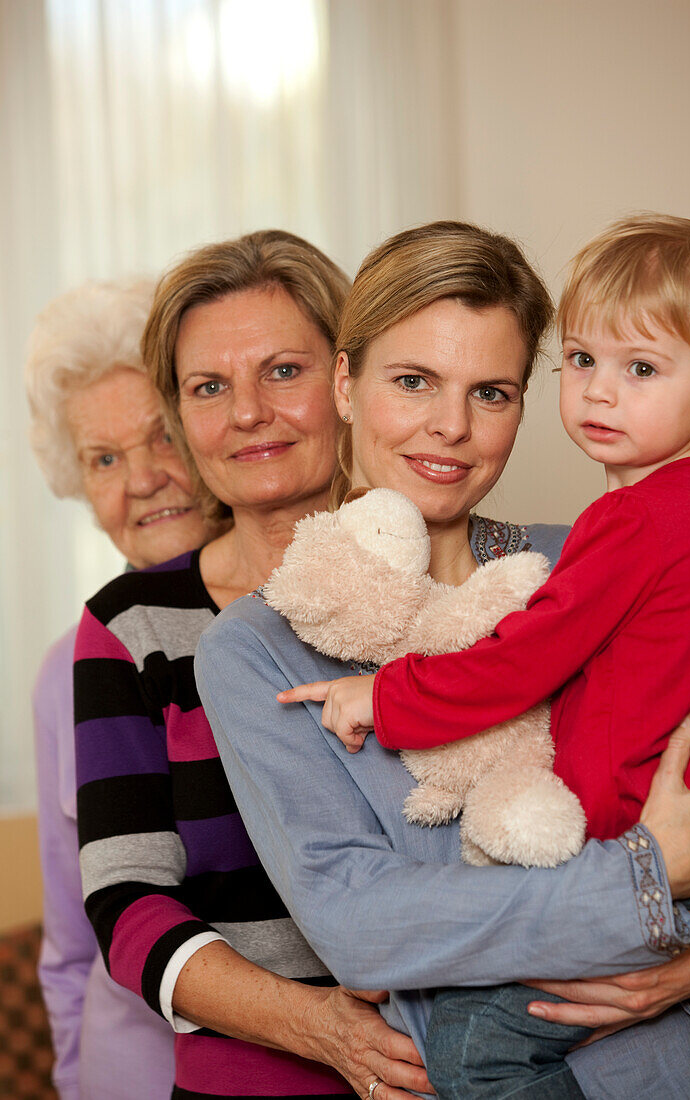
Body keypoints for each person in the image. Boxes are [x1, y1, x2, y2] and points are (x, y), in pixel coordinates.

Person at [196, 221, 690, 1100]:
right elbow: (364, 926)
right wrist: (651, 875)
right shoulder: (258, 652)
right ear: (344, 381)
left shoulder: (590, 557)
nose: (450, 427)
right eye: (413, 382)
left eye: (491, 392)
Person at [73, 231, 432, 1100]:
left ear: (348, 381)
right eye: (208, 388)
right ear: (182, 416)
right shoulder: (131, 627)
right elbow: (126, 904)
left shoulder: (456, 580)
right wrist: (320, 1029)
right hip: (252, 1080)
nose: (245, 414)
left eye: (282, 371)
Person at [26, 278, 214, 1100]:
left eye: (162, 436)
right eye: (104, 459)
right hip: (128, 1072)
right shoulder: (62, 671)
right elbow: (71, 946)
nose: (142, 480)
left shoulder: (309, 613)